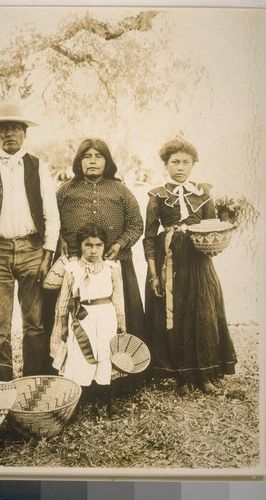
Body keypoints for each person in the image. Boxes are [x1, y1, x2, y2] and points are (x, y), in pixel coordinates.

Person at [0, 102, 60, 381]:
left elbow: (51, 214)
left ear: (24, 134)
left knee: (35, 324)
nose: (9, 134)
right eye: (3, 129)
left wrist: (47, 255)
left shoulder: (38, 167)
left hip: (32, 250)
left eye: (15, 129)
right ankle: (1, 386)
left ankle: (33, 380)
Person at [143, 137, 237, 396]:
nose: (180, 167)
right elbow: (149, 236)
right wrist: (153, 274)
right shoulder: (157, 196)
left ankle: (205, 373)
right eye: (175, 162)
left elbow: (211, 226)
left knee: (203, 311)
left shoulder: (203, 193)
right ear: (166, 165)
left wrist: (215, 242)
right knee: (177, 313)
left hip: (198, 260)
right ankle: (181, 377)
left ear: (193, 165)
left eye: (186, 162)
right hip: (170, 260)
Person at [56, 138, 145, 343]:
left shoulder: (120, 190)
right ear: (79, 161)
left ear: (108, 162)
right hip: (74, 264)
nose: (92, 161)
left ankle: (124, 369)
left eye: (98, 156)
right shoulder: (65, 190)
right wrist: (60, 238)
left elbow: (136, 224)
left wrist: (119, 244)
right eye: (87, 156)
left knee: (120, 311)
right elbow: (51, 220)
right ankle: (71, 367)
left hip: (116, 262)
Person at [52, 222, 126, 419]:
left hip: (105, 317)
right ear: (80, 246)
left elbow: (118, 296)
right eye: (88, 245)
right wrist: (62, 324)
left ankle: (110, 401)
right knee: (80, 356)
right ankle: (79, 400)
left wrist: (121, 320)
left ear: (104, 246)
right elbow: (64, 299)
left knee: (105, 354)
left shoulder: (112, 268)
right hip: (81, 319)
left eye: (98, 245)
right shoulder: (72, 269)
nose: (94, 250)